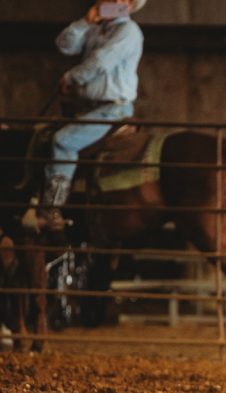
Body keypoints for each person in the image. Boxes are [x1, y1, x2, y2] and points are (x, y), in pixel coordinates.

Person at [26, 0, 145, 232]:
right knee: (43, 134)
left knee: (63, 141)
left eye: (122, 0)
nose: (115, 2)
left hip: (112, 109)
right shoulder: (96, 28)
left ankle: (51, 208)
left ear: (130, 5)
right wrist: (85, 21)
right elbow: (64, 45)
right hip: (91, 108)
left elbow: (101, 62)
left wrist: (71, 78)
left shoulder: (128, 31)